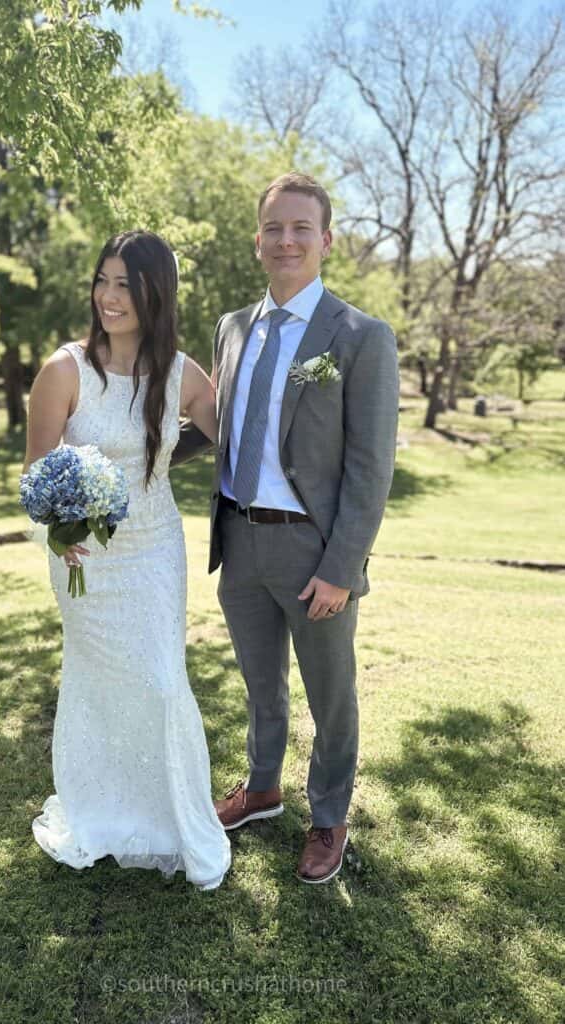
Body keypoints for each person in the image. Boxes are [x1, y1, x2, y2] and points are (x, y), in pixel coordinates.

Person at [201, 173, 399, 883]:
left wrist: (342, 568)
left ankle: (328, 817)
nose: (286, 240)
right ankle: (260, 788)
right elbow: (217, 427)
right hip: (240, 539)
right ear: (257, 240)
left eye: (300, 228)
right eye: (274, 228)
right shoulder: (231, 329)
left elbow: (371, 468)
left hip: (312, 549)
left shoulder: (359, 337)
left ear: (325, 240)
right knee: (260, 686)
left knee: (330, 695)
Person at [23, 230, 231, 891]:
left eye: (126, 283)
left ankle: (170, 819)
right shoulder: (63, 370)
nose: (109, 296)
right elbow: (35, 476)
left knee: (163, 682)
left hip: (154, 550)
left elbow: (235, 431)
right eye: (102, 280)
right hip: (87, 561)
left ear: (155, 293)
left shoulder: (179, 373)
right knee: (101, 682)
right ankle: (100, 811)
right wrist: (63, 531)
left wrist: (306, 388)